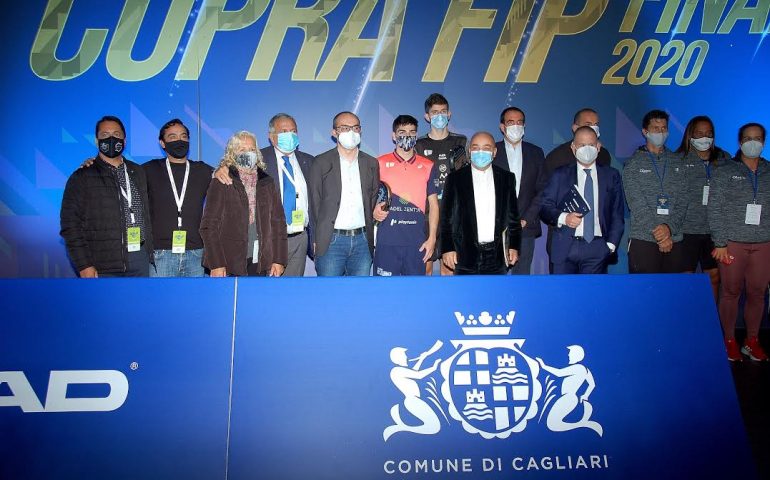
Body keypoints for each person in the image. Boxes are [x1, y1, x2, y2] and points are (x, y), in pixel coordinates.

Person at [215, 114, 314, 276]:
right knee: (266, 288)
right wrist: (222, 168)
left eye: (293, 131)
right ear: (271, 137)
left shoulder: (309, 161)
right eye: (284, 131)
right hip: (268, 240)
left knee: (292, 287)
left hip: (300, 239)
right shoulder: (257, 159)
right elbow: (234, 168)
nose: (290, 135)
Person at [61, 115, 153, 277]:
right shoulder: (81, 177)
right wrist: (84, 265)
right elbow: (70, 225)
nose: (111, 139)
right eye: (105, 135)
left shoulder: (138, 172)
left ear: (124, 141)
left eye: (116, 134)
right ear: (97, 141)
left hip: (140, 259)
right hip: (102, 264)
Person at [708, 123, 770, 362]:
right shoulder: (724, 170)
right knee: (730, 292)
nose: (752, 143)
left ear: (763, 142)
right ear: (739, 141)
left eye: (757, 138)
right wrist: (720, 242)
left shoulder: (768, 171)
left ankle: (752, 341)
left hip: (764, 243)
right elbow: (715, 208)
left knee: (758, 293)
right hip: (732, 243)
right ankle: (729, 340)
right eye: (747, 138)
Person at [199, 131, 286, 277]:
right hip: (228, 264)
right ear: (233, 153)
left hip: (260, 263)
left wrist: (279, 259)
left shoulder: (267, 182)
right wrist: (216, 263)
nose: (248, 153)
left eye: (252, 149)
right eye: (242, 149)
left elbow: (278, 223)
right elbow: (209, 226)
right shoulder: (221, 181)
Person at [540, 127, 624, 274]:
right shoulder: (560, 174)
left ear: (598, 147)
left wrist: (610, 246)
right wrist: (564, 218)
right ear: (573, 148)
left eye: (591, 145)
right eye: (582, 145)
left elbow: (617, 213)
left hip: (598, 247)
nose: (587, 149)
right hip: (566, 246)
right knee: (563, 289)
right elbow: (545, 207)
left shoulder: (611, 175)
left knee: (593, 289)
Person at [308, 111, 379, 276]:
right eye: (345, 128)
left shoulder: (371, 163)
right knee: (330, 290)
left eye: (355, 128)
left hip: (363, 241)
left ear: (360, 130)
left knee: (359, 290)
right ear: (334, 132)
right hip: (331, 241)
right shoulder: (321, 162)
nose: (351, 133)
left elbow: (372, 198)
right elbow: (314, 204)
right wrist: (315, 239)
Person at [440, 132, 521, 275]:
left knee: (495, 290)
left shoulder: (507, 178)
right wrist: (447, 248)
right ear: (469, 151)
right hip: (464, 255)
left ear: (494, 152)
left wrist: (514, 246)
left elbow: (513, 217)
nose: (480, 152)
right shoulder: (455, 179)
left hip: (497, 256)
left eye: (486, 148)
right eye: (476, 148)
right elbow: (446, 218)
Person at [143, 119, 213, 277]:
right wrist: (92, 163)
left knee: (196, 295)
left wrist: (223, 169)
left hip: (196, 254)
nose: (179, 140)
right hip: (161, 254)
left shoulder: (203, 170)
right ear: (162, 143)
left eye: (183, 136)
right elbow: (119, 172)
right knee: (161, 294)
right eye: (172, 137)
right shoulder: (149, 170)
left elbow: (229, 180)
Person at [622, 109, 686, 273]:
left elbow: (683, 201)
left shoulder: (678, 162)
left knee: (673, 288)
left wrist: (668, 228)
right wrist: (660, 234)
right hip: (644, 239)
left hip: (674, 238)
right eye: (656, 128)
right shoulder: (633, 164)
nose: (661, 132)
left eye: (664, 128)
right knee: (644, 288)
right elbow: (636, 204)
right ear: (645, 132)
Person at [374, 115, 439, 276]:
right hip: (387, 241)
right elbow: (369, 197)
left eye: (412, 132)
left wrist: (432, 239)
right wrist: (374, 210)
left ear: (416, 135)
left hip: (416, 243)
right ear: (393, 136)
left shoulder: (428, 165)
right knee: (385, 290)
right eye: (402, 132)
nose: (407, 136)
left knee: (416, 290)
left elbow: (434, 205)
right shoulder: (379, 163)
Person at [675, 115, 730, 300]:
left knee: (714, 276)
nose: (704, 138)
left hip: (714, 231)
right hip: (686, 230)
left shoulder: (724, 159)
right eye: (699, 133)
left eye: (709, 133)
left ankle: (711, 315)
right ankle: (686, 314)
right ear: (690, 135)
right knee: (686, 278)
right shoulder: (678, 160)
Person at [415, 93, 468, 275]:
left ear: (449, 114)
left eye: (443, 112)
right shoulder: (419, 145)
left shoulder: (461, 142)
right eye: (435, 112)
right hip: (427, 216)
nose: (440, 116)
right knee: (426, 268)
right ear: (427, 116)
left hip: (453, 215)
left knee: (449, 267)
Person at [492, 106, 547, 274]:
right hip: (495, 227)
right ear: (502, 127)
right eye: (510, 122)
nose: (516, 126)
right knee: (494, 277)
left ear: (524, 126)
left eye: (519, 122)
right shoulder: (491, 151)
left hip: (525, 228)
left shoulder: (536, 152)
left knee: (522, 277)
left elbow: (542, 190)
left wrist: (526, 219)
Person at [536, 346, 602, 436]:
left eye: (570, 353)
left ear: (576, 355)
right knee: (553, 424)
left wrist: (543, 366)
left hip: (568, 398)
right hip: (569, 398)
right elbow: (592, 384)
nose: (568, 355)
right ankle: (582, 424)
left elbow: (559, 373)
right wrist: (585, 395)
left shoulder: (578, 368)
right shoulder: (585, 369)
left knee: (552, 424)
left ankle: (582, 424)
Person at [545, 108, 612, 175]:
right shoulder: (558, 157)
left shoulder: (603, 155)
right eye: (588, 124)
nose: (594, 129)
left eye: (596, 125)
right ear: (575, 128)